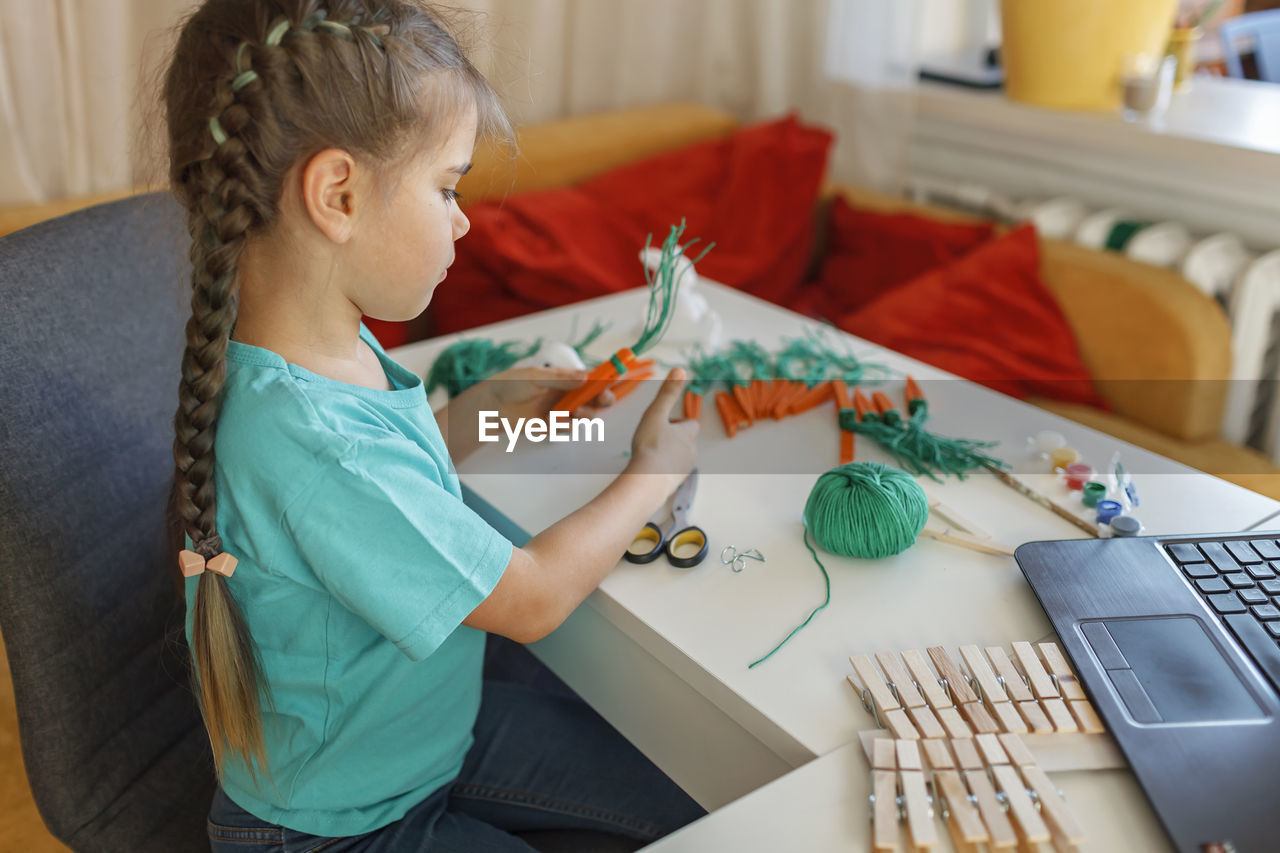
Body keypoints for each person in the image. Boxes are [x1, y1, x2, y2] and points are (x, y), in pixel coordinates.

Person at [162, 1, 704, 849]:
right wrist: (655, 472)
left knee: (691, 804)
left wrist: (504, 405)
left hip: (421, 743)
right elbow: (530, 598)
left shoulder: (309, 356)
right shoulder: (313, 440)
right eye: (447, 187)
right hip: (340, 828)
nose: (461, 219)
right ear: (336, 194)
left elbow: (400, 464)